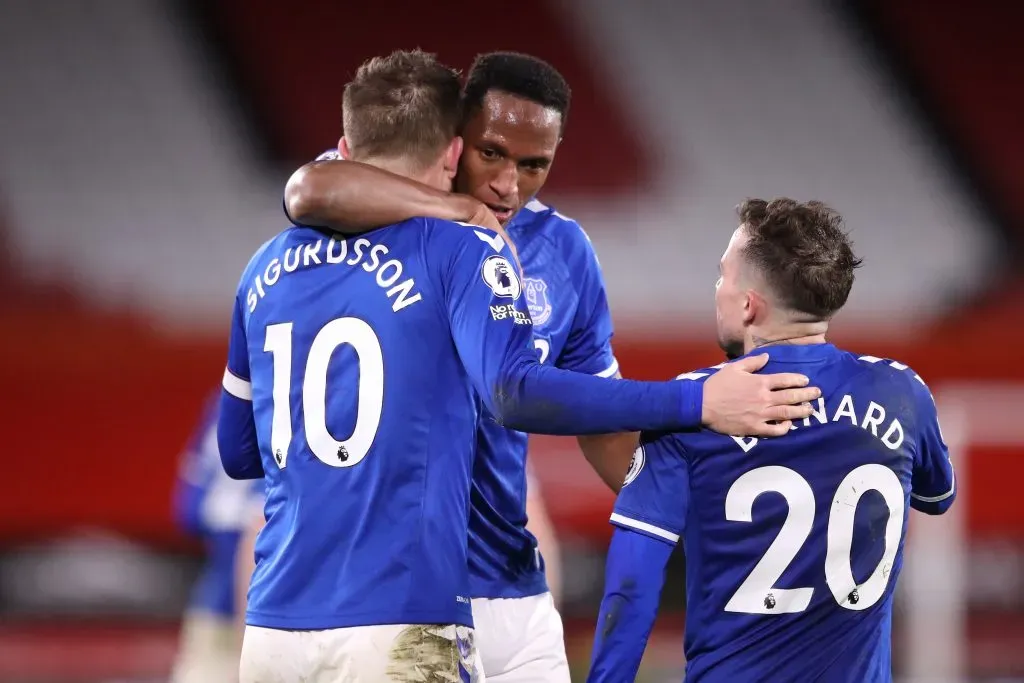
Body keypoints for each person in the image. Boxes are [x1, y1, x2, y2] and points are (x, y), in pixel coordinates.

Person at [217, 51, 819, 683]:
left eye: (534, 165)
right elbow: (308, 187)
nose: (508, 184)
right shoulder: (386, 219)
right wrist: (454, 210)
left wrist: (705, 531)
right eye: (492, 154)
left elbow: (603, 429)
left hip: (506, 590)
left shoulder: (564, 252)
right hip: (412, 591)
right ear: (453, 144)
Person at [588, 199, 957, 682]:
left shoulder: (691, 409)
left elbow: (632, 583)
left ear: (748, 305)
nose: (717, 289)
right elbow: (938, 497)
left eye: (722, 275)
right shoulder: (903, 394)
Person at [169, 391, 262, 683]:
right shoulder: (226, 403)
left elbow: (189, 512)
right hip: (227, 608)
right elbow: (186, 510)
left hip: (266, 614)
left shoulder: (227, 400)